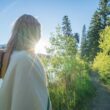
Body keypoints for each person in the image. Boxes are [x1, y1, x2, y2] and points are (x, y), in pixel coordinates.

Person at [0, 14, 52, 110]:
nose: (40, 36)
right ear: (33, 34)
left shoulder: (11, 57)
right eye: (38, 32)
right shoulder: (26, 61)